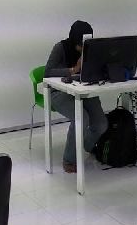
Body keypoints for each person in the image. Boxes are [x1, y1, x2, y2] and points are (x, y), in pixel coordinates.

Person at [44, 20, 108, 173]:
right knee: (82, 117)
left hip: (83, 89)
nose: (82, 49)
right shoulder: (60, 48)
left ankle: (87, 146)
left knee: (101, 123)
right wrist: (74, 69)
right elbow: (48, 72)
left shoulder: (91, 47)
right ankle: (69, 159)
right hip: (59, 92)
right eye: (80, 45)